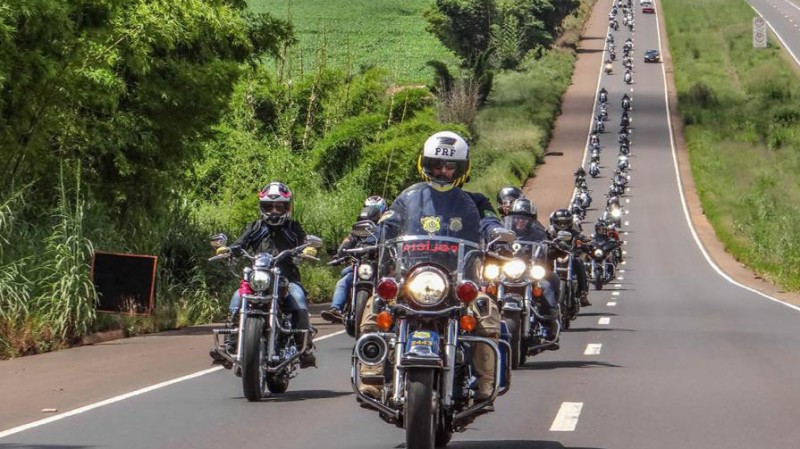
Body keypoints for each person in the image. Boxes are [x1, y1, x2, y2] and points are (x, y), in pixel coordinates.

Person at [358, 131, 507, 403]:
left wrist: (498, 236)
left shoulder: (475, 202)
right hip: (411, 277)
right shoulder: (408, 199)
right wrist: (371, 238)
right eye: (437, 164)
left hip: (456, 280)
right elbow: (389, 222)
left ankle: (486, 385)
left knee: (486, 310)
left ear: (462, 169)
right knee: (376, 304)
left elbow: (488, 222)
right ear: (425, 165)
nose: (443, 170)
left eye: (450, 166)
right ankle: (371, 377)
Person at [212, 182, 318, 368]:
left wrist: (308, 249)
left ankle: (305, 348)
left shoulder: (293, 228)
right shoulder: (256, 227)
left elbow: (304, 241)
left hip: (287, 279)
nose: (274, 210)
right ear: (262, 207)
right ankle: (230, 346)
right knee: (237, 299)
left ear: (288, 207)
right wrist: (228, 249)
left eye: (279, 206)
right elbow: (241, 243)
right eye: (269, 206)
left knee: (299, 301)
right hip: (258, 279)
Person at [504, 198, 560, 349]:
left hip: (529, 271)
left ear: (530, 220)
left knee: (547, 285)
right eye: (517, 218)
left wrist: (551, 245)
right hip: (507, 271)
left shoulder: (538, 233)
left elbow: (547, 244)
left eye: (524, 218)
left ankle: (548, 325)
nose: (520, 221)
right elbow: (491, 242)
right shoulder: (504, 232)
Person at [321, 196, 387, 323]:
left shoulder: (387, 228)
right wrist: (339, 254)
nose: (370, 211)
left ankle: (391, 313)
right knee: (343, 281)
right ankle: (336, 309)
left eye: (374, 208)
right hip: (360, 266)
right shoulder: (358, 230)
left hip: (381, 268)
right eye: (368, 208)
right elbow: (347, 243)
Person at [546, 208, 591, 307]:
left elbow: (581, 237)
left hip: (569, 255)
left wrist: (585, 240)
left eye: (565, 222)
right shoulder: (549, 231)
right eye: (560, 222)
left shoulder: (574, 230)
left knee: (579, 262)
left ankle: (583, 293)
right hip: (554, 255)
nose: (562, 225)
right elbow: (541, 238)